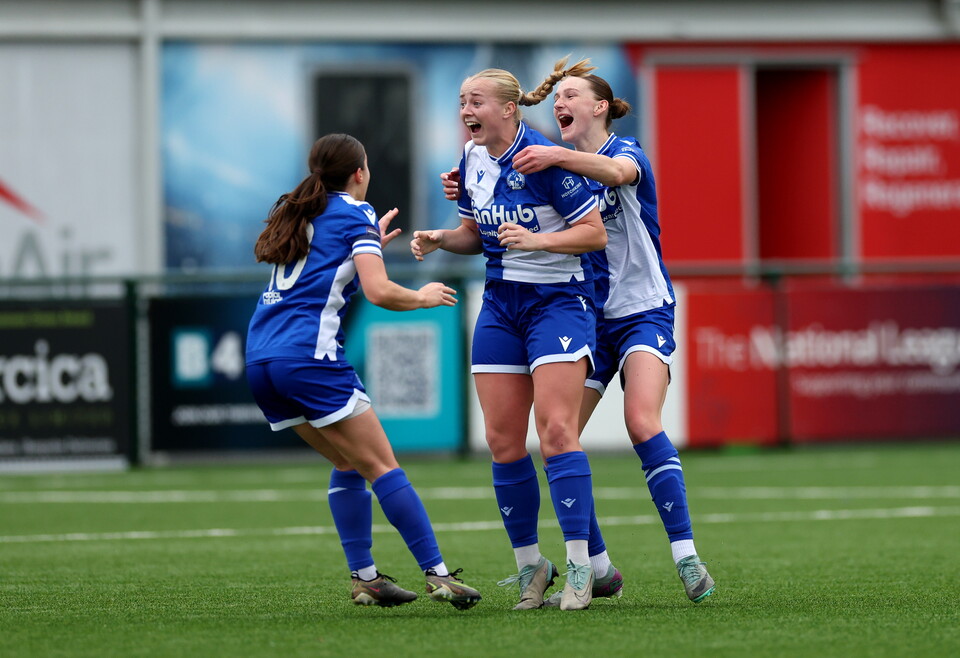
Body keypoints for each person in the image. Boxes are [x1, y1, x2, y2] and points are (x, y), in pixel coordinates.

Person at [445, 57, 717, 604]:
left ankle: (686, 558)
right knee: (555, 439)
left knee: (641, 421)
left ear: (600, 106)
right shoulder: (537, 162)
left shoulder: (623, 154)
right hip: (589, 312)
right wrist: (477, 193)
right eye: (557, 96)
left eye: (572, 95)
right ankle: (596, 565)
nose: (560, 103)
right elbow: (491, 214)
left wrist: (555, 155)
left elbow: (615, 177)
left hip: (640, 310)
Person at [245, 133, 481, 610]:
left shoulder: (300, 211)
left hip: (261, 360)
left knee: (347, 463)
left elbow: (320, 279)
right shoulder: (356, 212)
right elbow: (378, 292)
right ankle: (440, 576)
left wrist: (370, 247)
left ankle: (367, 579)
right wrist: (420, 296)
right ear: (359, 173)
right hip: (307, 358)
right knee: (383, 467)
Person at [410, 66, 608, 611]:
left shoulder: (543, 158)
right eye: (460, 101)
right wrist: (442, 238)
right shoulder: (471, 161)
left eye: (475, 101)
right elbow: (477, 234)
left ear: (508, 109)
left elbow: (593, 234)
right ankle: (531, 568)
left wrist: (538, 241)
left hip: (558, 304)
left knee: (556, 433)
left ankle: (578, 567)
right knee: (501, 442)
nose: (465, 111)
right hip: (501, 304)